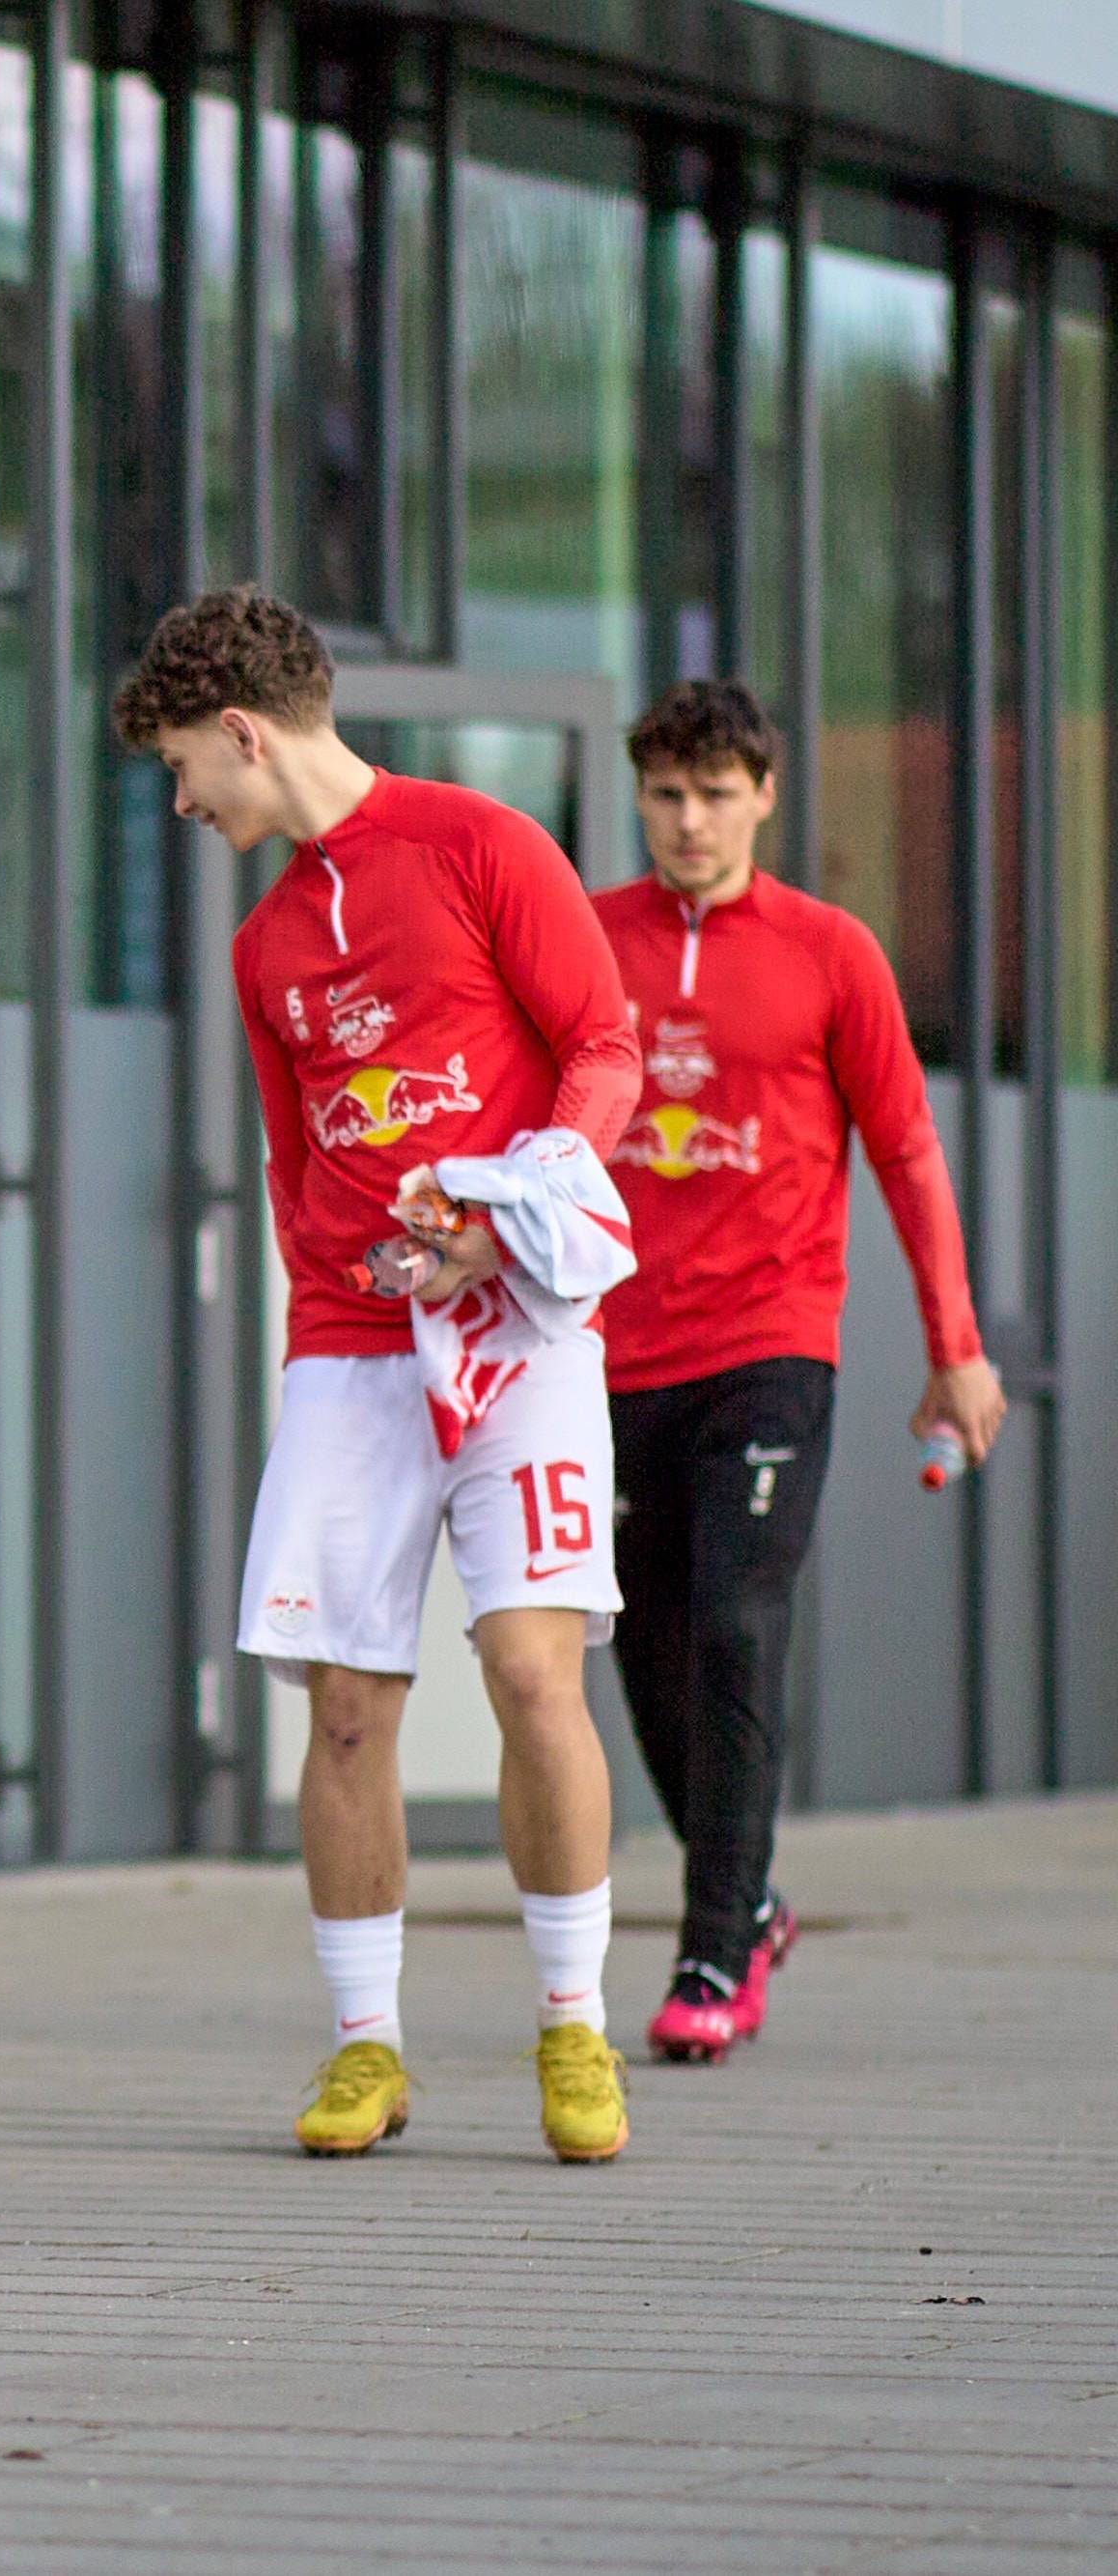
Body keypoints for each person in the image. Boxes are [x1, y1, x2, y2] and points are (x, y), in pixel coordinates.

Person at [115, 586, 644, 2165]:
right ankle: (367, 2049)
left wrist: (516, 1216)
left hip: (520, 1325)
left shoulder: (481, 843)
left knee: (533, 1670)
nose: (182, 801)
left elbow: (602, 1047)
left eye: (178, 768)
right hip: (350, 1346)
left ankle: (572, 2028)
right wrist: (333, 1318)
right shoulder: (265, 943)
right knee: (343, 1706)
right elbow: (294, 1172)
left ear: (241, 733)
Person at [592, 678, 1000, 2064]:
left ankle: (711, 1954)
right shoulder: (590, 944)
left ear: (765, 795)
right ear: (640, 796)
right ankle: (750, 1899)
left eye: (714, 795)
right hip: (609, 1353)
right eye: (665, 795)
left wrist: (955, 1347)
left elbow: (906, 1151)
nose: (689, 821)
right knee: (642, 1654)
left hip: (771, 1344)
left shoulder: (832, 953)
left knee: (734, 1620)